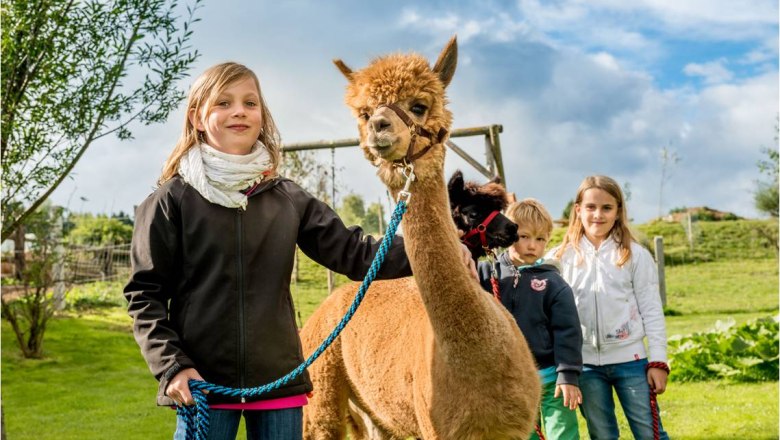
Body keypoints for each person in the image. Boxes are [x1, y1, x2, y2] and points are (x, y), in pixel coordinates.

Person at [123, 62, 474, 440]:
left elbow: (354, 253)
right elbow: (145, 295)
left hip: (279, 385)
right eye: (223, 103)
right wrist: (172, 366)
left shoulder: (287, 198)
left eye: (250, 103)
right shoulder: (169, 202)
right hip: (203, 387)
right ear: (197, 117)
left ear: (262, 115)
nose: (239, 111)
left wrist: (439, 250)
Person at [549, 175, 670, 440]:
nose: (598, 215)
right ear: (578, 210)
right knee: (602, 435)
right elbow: (523, 264)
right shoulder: (559, 259)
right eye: (591, 207)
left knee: (650, 433)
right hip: (585, 365)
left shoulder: (634, 255)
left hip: (632, 362)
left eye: (607, 208)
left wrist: (659, 361)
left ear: (618, 212)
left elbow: (652, 310)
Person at [477, 198, 583, 440]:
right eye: (524, 237)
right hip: (509, 380)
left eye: (540, 239)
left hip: (549, 379)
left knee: (562, 433)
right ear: (508, 234)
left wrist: (568, 374)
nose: (532, 245)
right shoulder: (486, 274)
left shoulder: (553, 284)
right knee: (522, 435)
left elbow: (568, 331)